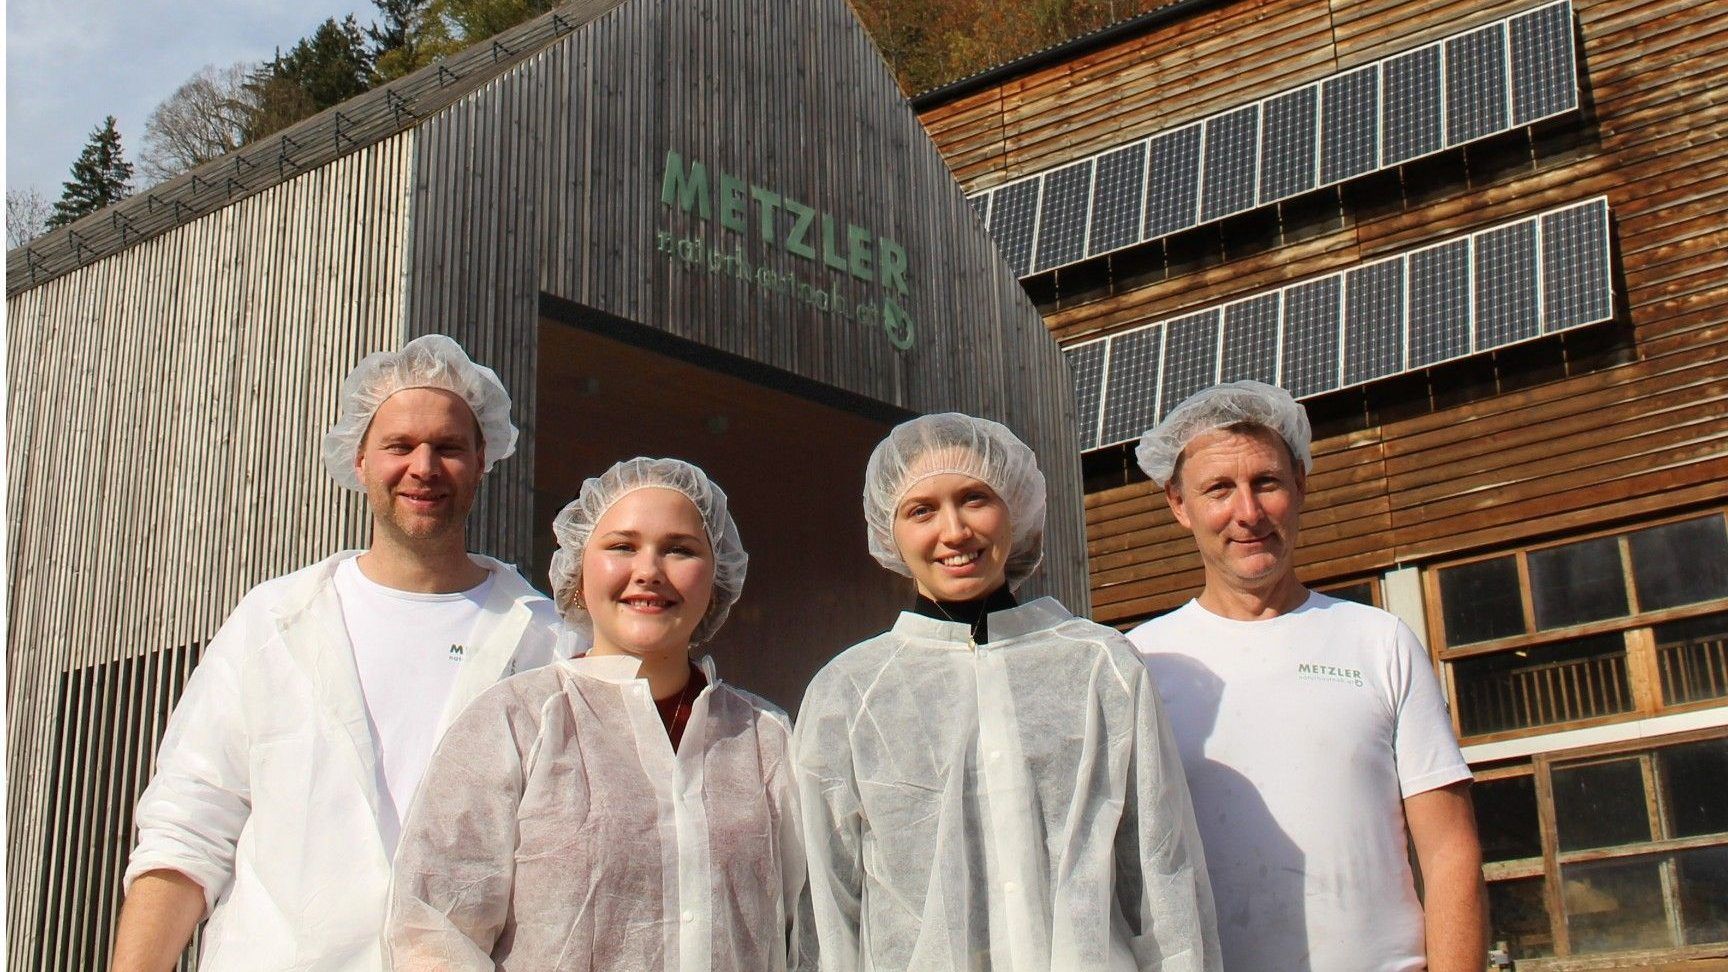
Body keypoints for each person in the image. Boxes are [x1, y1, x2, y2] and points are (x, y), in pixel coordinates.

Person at [112, 335, 568, 972]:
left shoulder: (550, 643)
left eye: (448, 446)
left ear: (483, 459)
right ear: (360, 459)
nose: (424, 467)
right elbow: (188, 829)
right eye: (399, 446)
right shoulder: (275, 623)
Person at [794, 412, 1219, 971]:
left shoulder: (1099, 667)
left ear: (1014, 508)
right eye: (922, 510)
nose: (954, 532)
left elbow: (1160, 871)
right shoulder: (848, 694)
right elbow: (830, 904)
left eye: (975, 498)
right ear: (888, 531)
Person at [385, 457, 810, 970]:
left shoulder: (766, 740)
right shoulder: (516, 723)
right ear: (579, 574)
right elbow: (433, 930)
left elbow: (806, 938)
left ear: (715, 580)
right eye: (622, 547)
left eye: (679, 549)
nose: (648, 571)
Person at [1129, 380, 1485, 972]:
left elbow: (1450, 852)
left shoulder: (1378, 641)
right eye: (1219, 489)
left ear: (1300, 483)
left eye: (1265, 482)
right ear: (1178, 504)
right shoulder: (1142, 664)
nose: (1248, 513)